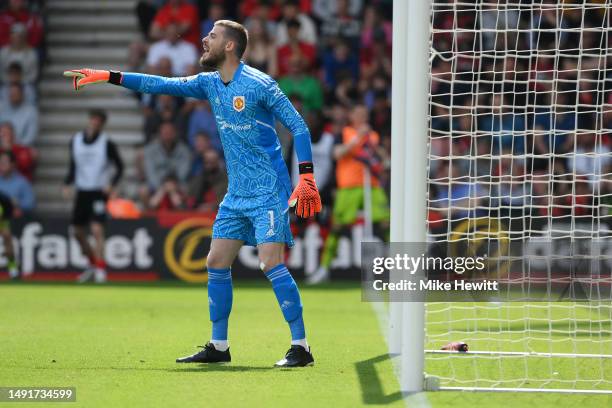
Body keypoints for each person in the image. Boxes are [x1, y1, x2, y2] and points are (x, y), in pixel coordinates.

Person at [64, 19, 322, 367]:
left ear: (230, 46)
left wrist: (305, 176)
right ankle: (219, 346)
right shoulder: (210, 84)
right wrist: (110, 76)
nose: (204, 39)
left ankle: (301, 346)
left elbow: (299, 127)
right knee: (216, 261)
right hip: (236, 195)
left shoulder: (260, 84)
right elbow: (159, 84)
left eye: (212, 36)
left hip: (268, 192)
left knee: (270, 262)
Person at [313, 104, 389, 284]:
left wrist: (376, 149)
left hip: (372, 185)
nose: (363, 117)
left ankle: (398, 267)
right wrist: (357, 139)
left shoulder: (373, 136)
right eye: (359, 114)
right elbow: (337, 154)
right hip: (348, 186)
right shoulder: (344, 133)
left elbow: (383, 160)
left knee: (387, 223)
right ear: (352, 116)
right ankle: (324, 269)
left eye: (365, 114)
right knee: (338, 227)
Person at [63, 110, 124, 284]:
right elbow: (73, 166)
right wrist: (67, 183)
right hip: (82, 190)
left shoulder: (107, 143)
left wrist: (112, 184)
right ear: (89, 121)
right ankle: (92, 263)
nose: (95, 124)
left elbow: (119, 166)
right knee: (77, 232)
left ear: (102, 124)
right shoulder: (75, 141)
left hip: (99, 191)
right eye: (93, 120)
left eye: (99, 121)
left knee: (97, 229)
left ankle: (100, 268)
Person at [0, 150, 34, 279]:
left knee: (7, 235)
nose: (1, 165)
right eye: (0, 162)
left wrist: (17, 205)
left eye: (4, 162)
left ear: (13, 165)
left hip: (12, 219)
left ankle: (13, 267)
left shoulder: (22, 182)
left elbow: (29, 204)